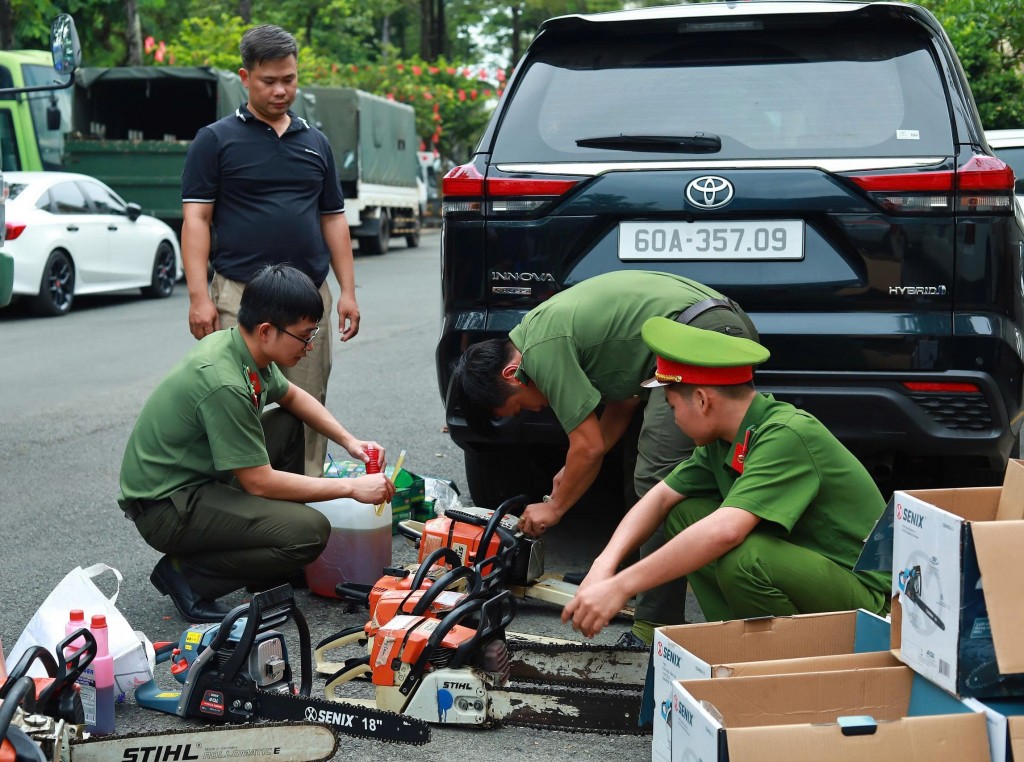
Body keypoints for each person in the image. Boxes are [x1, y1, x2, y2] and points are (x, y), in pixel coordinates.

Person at [449, 270, 759, 645]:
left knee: (657, 478)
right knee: (639, 470)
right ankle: (624, 577)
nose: (532, 411)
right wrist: (571, 470)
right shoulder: (539, 335)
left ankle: (653, 627)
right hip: (701, 326)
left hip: (702, 331)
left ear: (513, 374)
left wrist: (555, 508)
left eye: (518, 408)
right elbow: (623, 403)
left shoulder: (541, 349)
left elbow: (590, 446)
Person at [562, 318, 891, 639]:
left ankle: (779, 658)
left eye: (673, 407)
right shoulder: (724, 441)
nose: (673, 420)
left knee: (745, 559)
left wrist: (621, 586)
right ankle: (738, 638)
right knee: (684, 516)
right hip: (813, 574)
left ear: (703, 401)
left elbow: (726, 531)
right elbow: (659, 498)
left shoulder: (787, 433)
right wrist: (603, 566)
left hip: (866, 601)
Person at [118, 265, 395, 623]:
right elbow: (258, 482)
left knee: (291, 422)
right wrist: (351, 487)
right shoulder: (225, 381)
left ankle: (266, 564)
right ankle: (187, 577)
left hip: (199, 482)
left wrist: (350, 442)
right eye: (304, 336)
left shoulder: (242, 346)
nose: (310, 347)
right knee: (309, 533)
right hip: (167, 508)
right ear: (267, 331)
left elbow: (293, 396)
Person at [181, 23, 359, 480]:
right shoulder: (215, 140)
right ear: (245, 77)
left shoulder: (315, 143)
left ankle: (309, 496)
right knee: (237, 400)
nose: (281, 91)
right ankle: (236, 499)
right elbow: (196, 220)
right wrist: (199, 297)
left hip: (308, 300)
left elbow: (333, 220)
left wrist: (347, 292)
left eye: (290, 79)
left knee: (308, 402)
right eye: (269, 81)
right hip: (239, 294)